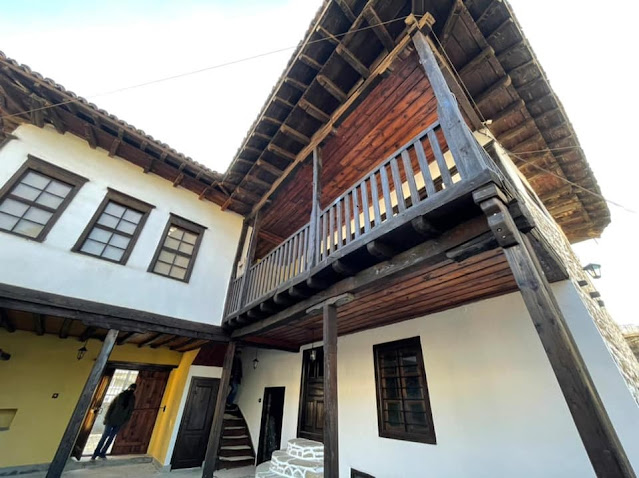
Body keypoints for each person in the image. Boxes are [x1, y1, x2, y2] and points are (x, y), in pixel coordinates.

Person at [91, 384, 137, 460]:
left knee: (109, 437)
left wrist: (125, 421)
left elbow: (130, 411)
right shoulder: (122, 396)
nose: (132, 390)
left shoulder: (131, 398)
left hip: (118, 421)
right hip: (112, 420)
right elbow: (112, 407)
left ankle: (101, 453)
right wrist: (107, 419)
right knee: (106, 437)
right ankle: (97, 453)